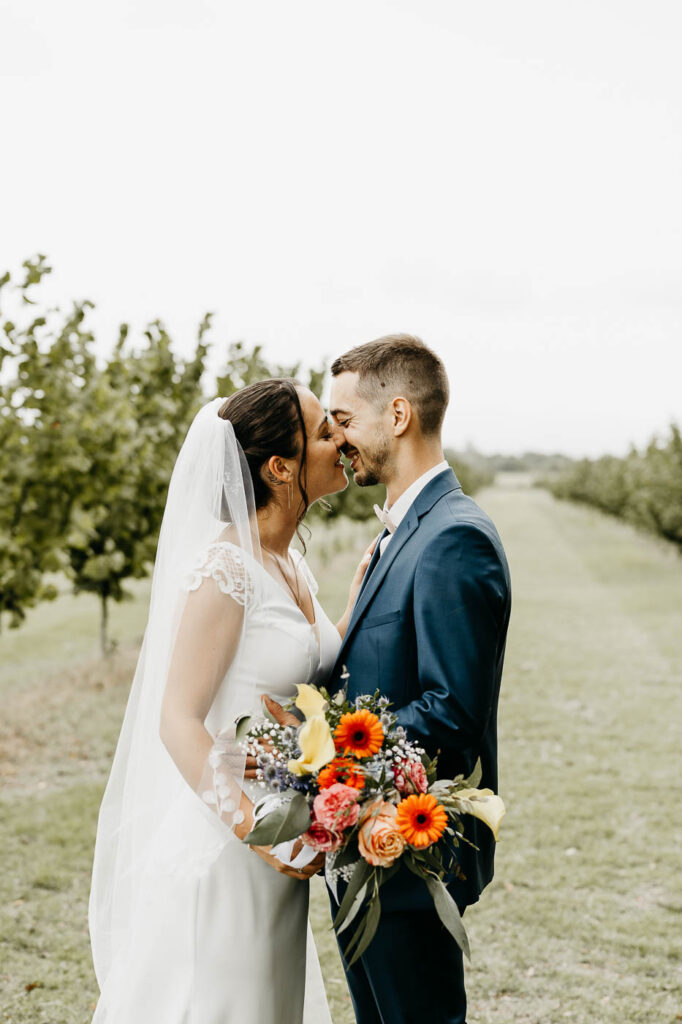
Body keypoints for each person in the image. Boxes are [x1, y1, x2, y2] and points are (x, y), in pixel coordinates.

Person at [88, 378, 373, 1023]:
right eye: (324, 433)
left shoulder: (287, 563)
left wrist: (362, 597)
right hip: (229, 851)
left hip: (285, 846)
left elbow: (306, 666)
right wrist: (257, 831)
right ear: (279, 468)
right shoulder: (226, 572)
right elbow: (177, 720)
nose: (341, 441)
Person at [325, 335, 511, 1024]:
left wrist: (331, 756)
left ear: (397, 414)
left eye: (344, 421)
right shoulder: (405, 533)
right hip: (365, 849)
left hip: (412, 859)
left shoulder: (453, 538)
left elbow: (452, 711)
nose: (336, 440)